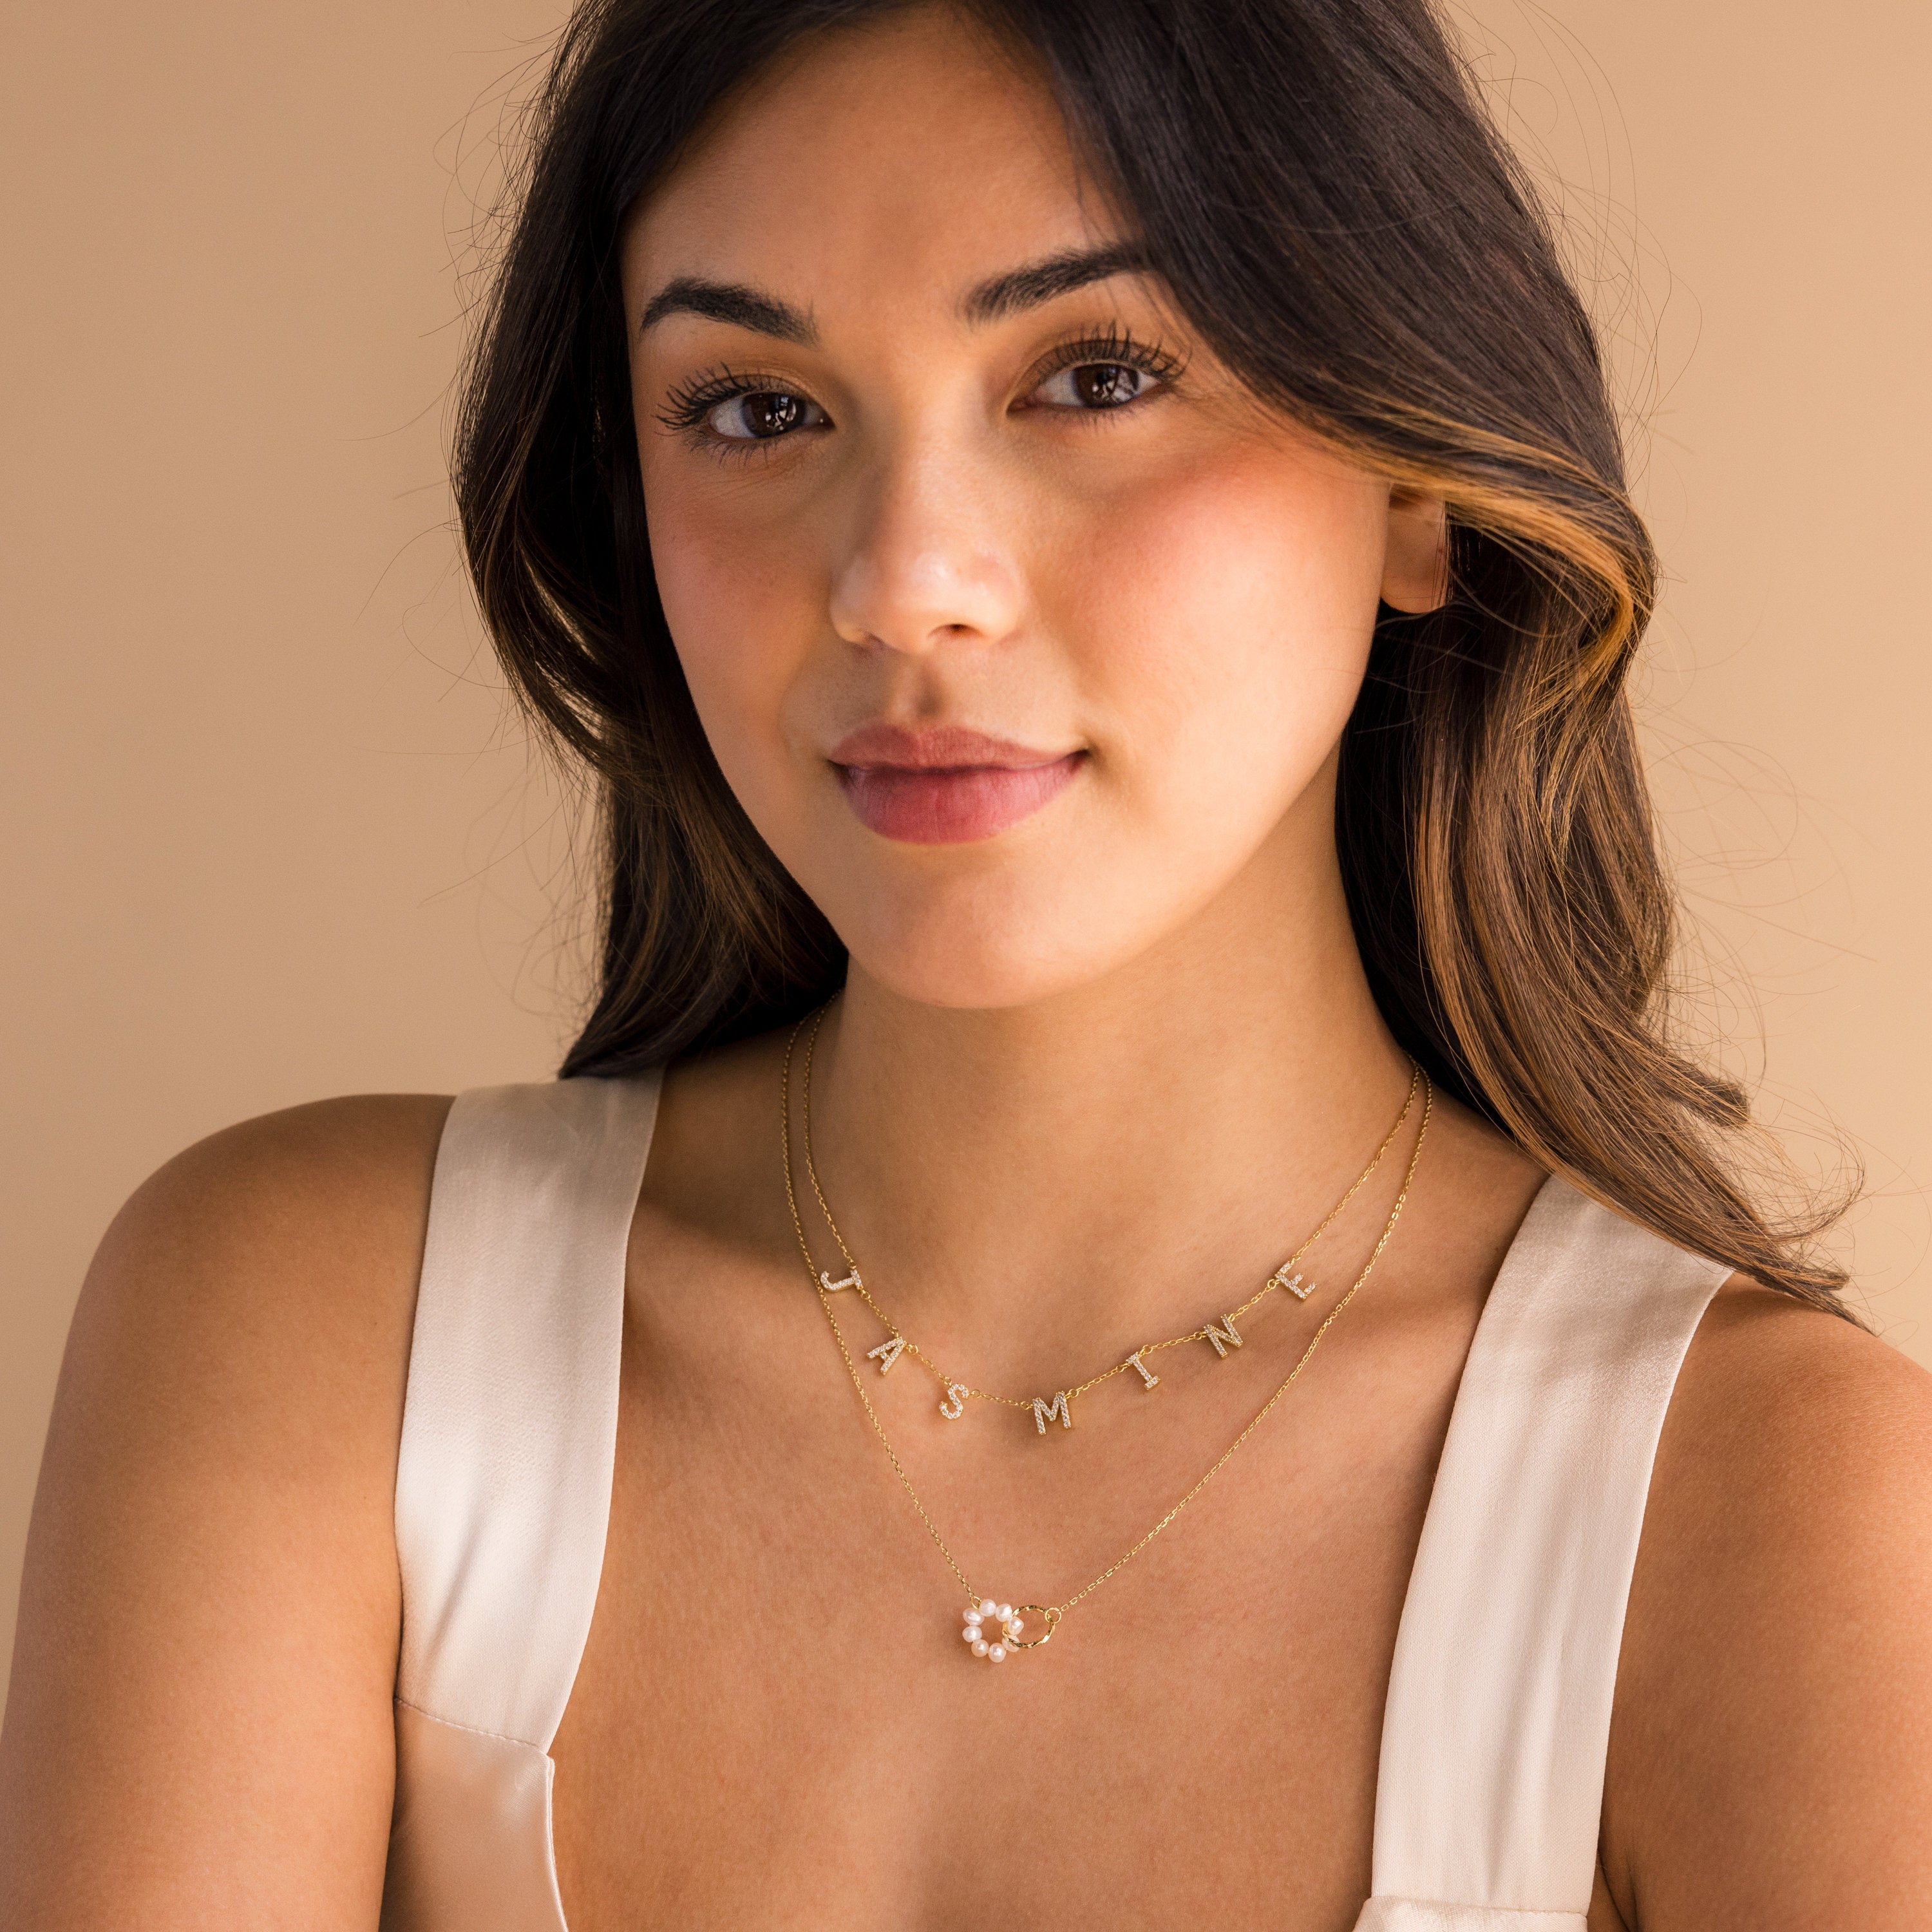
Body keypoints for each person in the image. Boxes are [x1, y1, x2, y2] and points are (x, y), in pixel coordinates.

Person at [3, 1, 1928, 1926]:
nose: (901, 582)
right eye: (756, 409)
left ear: (1416, 485)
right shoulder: (318, 1338)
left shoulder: (1769, 1516)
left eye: (1097, 376)